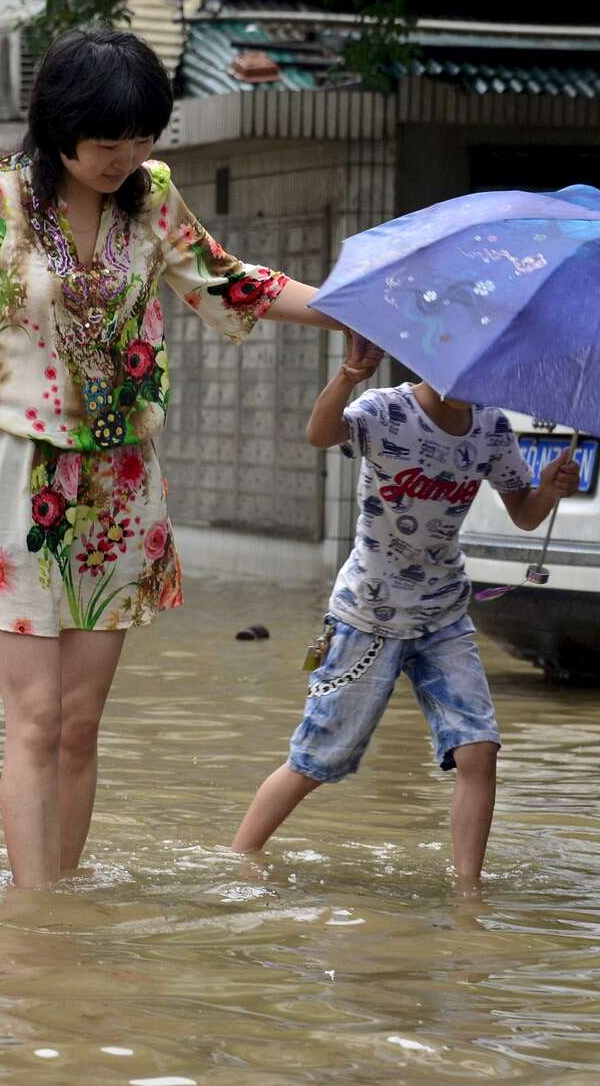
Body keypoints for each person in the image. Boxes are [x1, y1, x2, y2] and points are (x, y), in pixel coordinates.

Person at [0, 28, 346, 889]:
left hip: (120, 487)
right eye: (106, 144)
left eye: (142, 139)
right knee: (37, 716)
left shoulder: (150, 199)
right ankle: (32, 916)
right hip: (14, 476)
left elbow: (231, 282)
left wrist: (354, 309)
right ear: (57, 131)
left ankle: (60, 905)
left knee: (82, 721)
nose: (125, 158)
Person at [229, 336, 581, 896]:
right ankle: (239, 858)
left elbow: (525, 516)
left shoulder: (491, 427)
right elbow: (320, 434)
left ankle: (468, 893)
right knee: (319, 757)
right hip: (367, 615)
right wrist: (348, 375)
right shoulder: (385, 411)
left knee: (479, 749)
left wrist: (547, 489)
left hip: (444, 615)